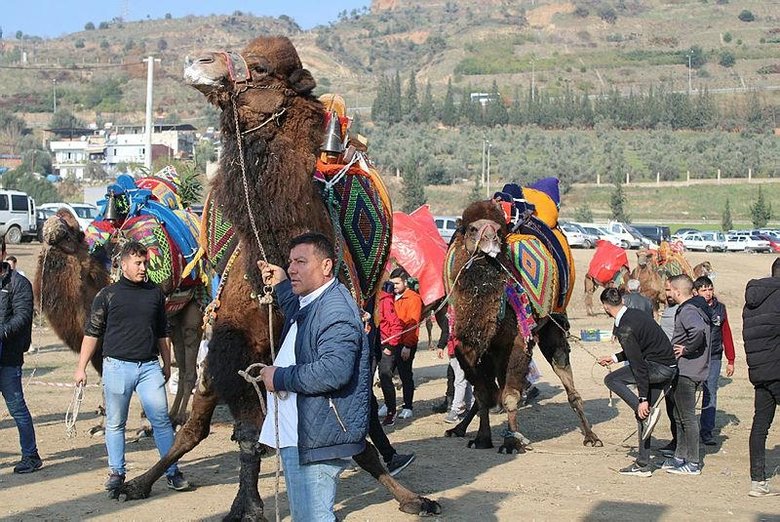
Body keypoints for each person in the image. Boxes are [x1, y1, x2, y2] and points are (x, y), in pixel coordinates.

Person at [257, 232, 371, 521]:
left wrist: (279, 378)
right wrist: (282, 282)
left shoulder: (335, 311)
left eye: (301, 262)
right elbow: (300, 315)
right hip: (304, 432)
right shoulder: (315, 300)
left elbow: (334, 371)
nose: (293, 268)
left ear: (326, 266)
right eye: (290, 262)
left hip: (316, 437)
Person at [74, 241, 189, 493]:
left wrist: (166, 363)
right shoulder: (107, 295)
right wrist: (81, 367)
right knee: (116, 423)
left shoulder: (155, 293)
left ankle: (172, 471)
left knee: (161, 422)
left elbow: (162, 332)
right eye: (138, 263)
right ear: (123, 264)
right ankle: (117, 473)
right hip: (116, 368)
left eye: (145, 263)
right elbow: (92, 333)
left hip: (149, 368)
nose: (143, 267)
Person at [597, 288, 677, 477]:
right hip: (666, 366)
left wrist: (641, 399)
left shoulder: (625, 327)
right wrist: (614, 358)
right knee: (642, 414)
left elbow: (638, 365)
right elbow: (638, 348)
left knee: (612, 379)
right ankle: (643, 464)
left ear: (605, 307)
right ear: (622, 300)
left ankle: (645, 413)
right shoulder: (634, 314)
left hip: (657, 368)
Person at [665, 274, 712, 476]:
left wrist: (686, 349)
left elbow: (698, 330)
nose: (668, 293)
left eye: (669, 290)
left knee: (688, 418)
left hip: (687, 370)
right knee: (678, 415)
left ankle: (693, 463)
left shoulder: (688, 310)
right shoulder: (695, 307)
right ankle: (679, 456)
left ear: (677, 291)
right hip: (686, 369)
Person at [742, 257, 780, 497]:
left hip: (759, 370)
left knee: (760, 426)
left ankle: (758, 481)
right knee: (761, 425)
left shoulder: (753, 300)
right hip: (777, 368)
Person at [0, 257, 41, 473]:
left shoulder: (18, 283)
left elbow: (23, 316)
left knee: (17, 408)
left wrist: (2, 332)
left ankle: (31, 456)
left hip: (8, 358)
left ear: (3, 253)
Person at [372, 280, 415, 474]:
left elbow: (396, 325)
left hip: (385, 347)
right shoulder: (382, 300)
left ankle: (391, 410)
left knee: (385, 376)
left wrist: (390, 346)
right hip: (377, 346)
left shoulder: (385, 301)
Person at [693, 275, 736, 445]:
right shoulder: (692, 308)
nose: (708, 293)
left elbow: (727, 333)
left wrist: (731, 359)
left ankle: (707, 431)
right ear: (696, 292)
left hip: (714, 356)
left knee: (710, 392)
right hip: (695, 356)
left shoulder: (720, 309)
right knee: (688, 393)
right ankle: (687, 430)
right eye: (704, 290)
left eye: (710, 289)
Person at [379, 268, 422, 422]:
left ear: (405, 282)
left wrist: (408, 346)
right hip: (392, 341)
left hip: (405, 342)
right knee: (385, 374)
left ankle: (407, 406)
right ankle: (388, 404)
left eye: (397, 283)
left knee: (405, 375)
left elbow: (412, 324)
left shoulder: (413, 298)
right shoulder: (390, 296)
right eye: (392, 283)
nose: (394, 286)